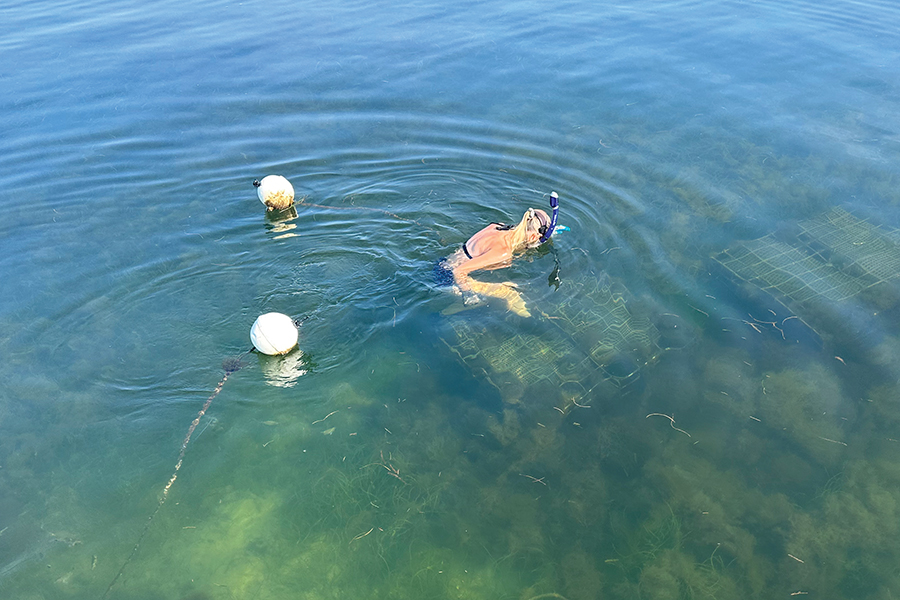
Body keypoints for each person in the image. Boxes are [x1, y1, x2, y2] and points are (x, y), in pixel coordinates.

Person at [435, 192, 559, 317]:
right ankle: (441, 314)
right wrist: (469, 295)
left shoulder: (498, 226)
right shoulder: (503, 252)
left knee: (505, 285)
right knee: (510, 294)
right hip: (450, 279)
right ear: (533, 236)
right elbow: (459, 272)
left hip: (442, 265)